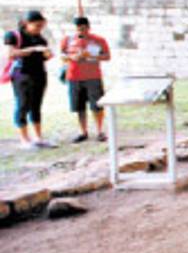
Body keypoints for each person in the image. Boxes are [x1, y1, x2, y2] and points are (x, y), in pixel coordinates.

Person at [4, 10, 55, 150]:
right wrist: (32, 49)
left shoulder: (41, 38)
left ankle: (38, 137)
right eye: (37, 25)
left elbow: (44, 57)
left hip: (39, 74)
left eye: (41, 25)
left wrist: (47, 54)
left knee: (36, 106)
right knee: (23, 105)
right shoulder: (14, 36)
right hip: (22, 75)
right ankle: (24, 139)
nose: (39, 28)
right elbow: (11, 54)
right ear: (26, 24)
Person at [60, 15, 111, 143]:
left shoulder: (98, 40)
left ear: (88, 27)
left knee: (97, 105)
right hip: (74, 76)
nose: (81, 32)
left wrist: (92, 57)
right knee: (79, 106)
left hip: (93, 76)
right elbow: (62, 55)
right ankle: (83, 131)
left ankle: (100, 131)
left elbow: (107, 56)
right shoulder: (68, 40)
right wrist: (72, 57)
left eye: (83, 29)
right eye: (78, 29)